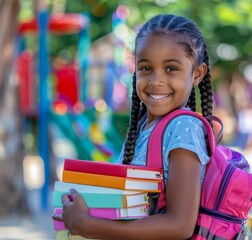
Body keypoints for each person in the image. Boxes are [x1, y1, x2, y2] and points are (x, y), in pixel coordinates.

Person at [53, 13, 214, 239]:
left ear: (197, 74)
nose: (155, 80)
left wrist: (88, 225)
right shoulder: (144, 127)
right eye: (146, 68)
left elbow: (180, 225)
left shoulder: (183, 127)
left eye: (171, 69)